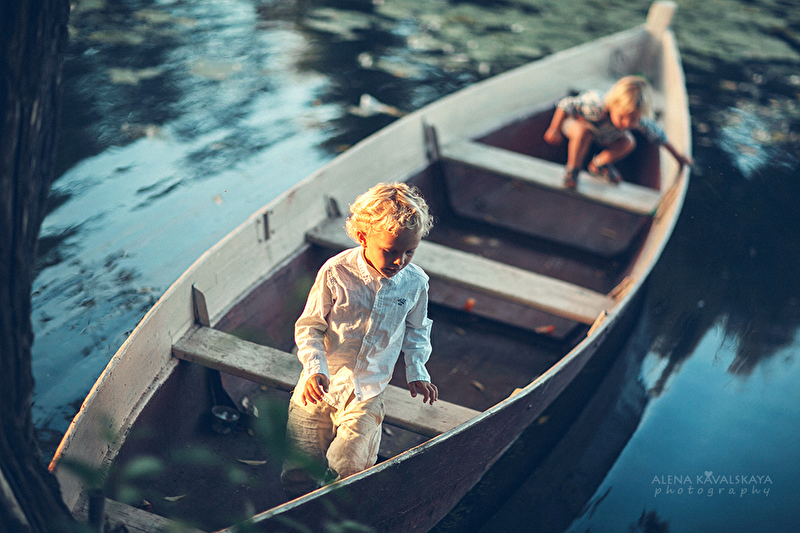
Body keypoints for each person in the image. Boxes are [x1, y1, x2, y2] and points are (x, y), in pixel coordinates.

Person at [280, 182, 438, 499]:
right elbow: (310, 325)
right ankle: (296, 506)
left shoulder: (415, 282)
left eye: (410, 252)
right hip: (322, 383)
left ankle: (342, 507)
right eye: (390, 251)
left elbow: (418, 329)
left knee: (350, 463)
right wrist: (313, 368)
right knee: (301, 458)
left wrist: (416, 369)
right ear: (364, 238)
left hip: (368, 388)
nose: (400, 261)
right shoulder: (336, 272)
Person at [544, 75, 693, 189]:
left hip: (603, 134)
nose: (627, 123)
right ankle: (572, 171)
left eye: (633, 119)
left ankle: (598, 164)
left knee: (628, 142)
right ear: (612, 105)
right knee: (583, 132)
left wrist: (679, 158)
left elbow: (659, 138)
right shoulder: (596, 107)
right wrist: (554, 129)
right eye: (622, 117)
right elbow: (565, 105)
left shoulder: (639, 120)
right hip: (575, 125)